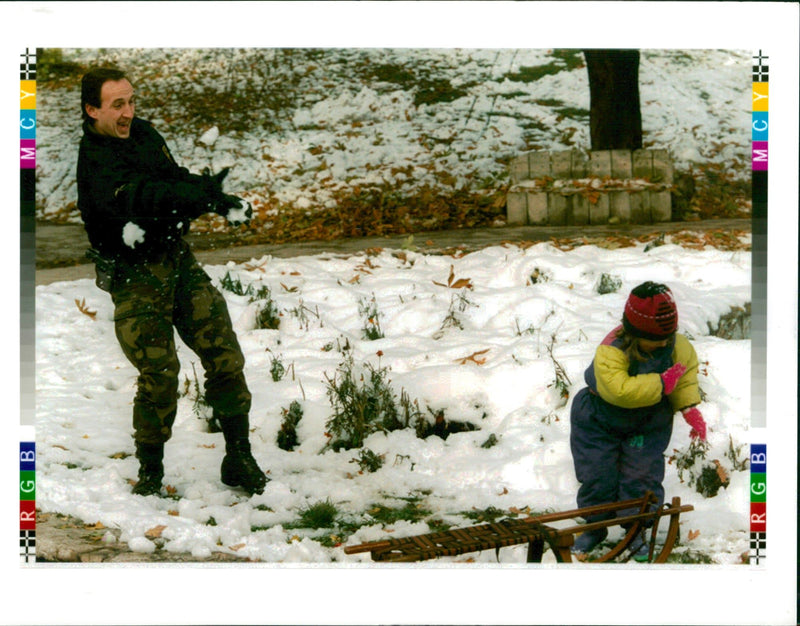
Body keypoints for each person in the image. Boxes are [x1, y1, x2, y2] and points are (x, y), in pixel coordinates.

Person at [77, 67, 267, 497]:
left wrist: (213, 196)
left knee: (223, 351)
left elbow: (171, 177)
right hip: (135, 274)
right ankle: (150, 476)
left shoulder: (142, 134)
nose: (128, 113)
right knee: (159, 372)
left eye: (131, 101)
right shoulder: (95, 161)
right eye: (117, 105)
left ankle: (239, 458)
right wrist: (190, 197)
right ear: (92, 110)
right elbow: (143, 196)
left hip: (176, 261)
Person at [569, 281, 707, 560]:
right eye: (657, 339)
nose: (665, 344)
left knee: (641, 476)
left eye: (669, 336)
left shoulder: (676, 345)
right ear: (635, 333)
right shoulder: (611, 350)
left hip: (647, 422)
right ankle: (596, 526)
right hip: (599, 419)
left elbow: (685, 374)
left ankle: (636, 530)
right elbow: (618, 390)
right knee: (597, 475)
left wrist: (688, 407)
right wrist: (660, 382)